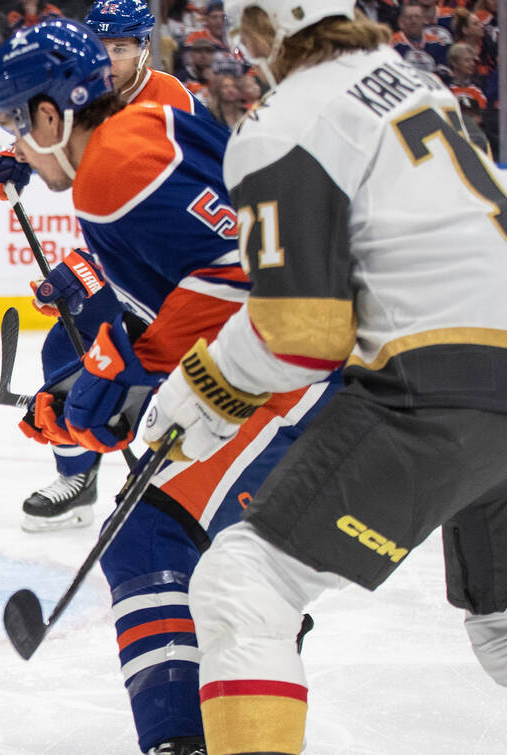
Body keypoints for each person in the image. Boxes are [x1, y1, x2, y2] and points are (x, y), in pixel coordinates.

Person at [140, 3, 507, 752]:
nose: (242, 51)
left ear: (267, 25)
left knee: (243, 588)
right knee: (503, 622)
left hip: (437, 385)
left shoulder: (285, 120)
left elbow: (303, 333)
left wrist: (199, 390)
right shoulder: (415, 82)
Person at [0, 18, 338, 755]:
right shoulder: (140, 129)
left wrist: (128, 381)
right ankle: (195, 729)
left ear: (53, 115)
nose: (12, 141)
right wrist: (111, 367)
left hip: (303, 366)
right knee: (156, 535)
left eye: (14, 123)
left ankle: (191, 733)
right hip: (298, 355)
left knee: (161, 541)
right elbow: (206, 269)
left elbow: (250, 274)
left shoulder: (114, 167)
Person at [0, 0, 209, 532]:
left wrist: (86, 270)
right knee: (68, 347)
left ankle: (171, 478)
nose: (109, 59)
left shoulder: (166, 101)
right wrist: (8, 154)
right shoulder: (79, 90)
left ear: (145, 48)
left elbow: (163, 224)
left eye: (121, 49)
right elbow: (35, 131)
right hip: (137, 248)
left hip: (172, 265)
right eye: (101, 47)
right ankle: (79, 477)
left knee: (129, 357)